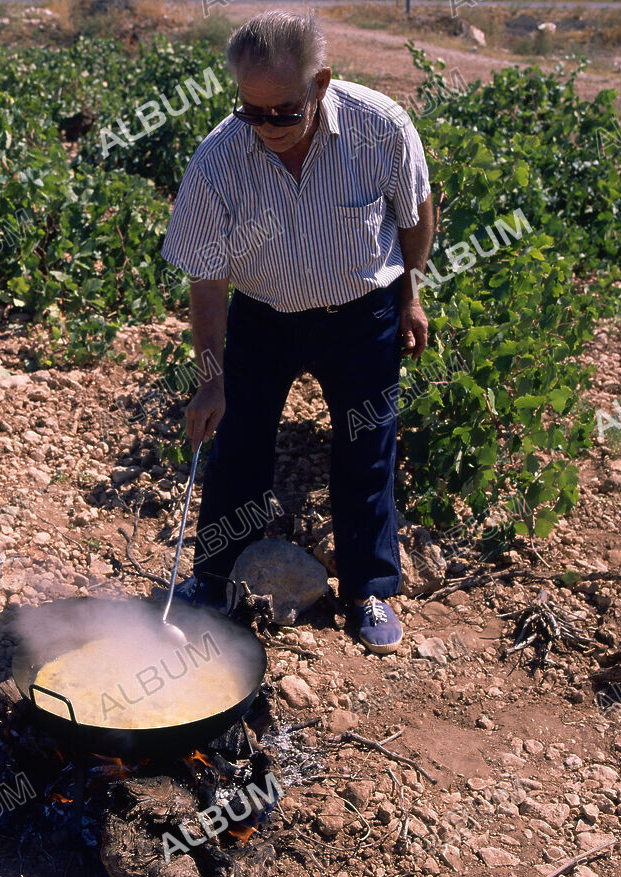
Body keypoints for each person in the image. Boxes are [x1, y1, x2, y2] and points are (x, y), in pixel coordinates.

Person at [161, 9, 433, 654]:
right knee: (239, 446)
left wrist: (410, 295)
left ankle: (368, 588)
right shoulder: (219, 158)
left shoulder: (380, 127)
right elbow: (206, 282)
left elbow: (416, 212)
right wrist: (210, 382)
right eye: (251, 113)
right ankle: (213, 578)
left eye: (282, 112)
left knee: (365, 451)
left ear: (321, 83)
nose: (266, 130)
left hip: (361, 317)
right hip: (263, 320)